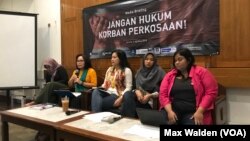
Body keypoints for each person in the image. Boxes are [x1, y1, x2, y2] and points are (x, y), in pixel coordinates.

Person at [159, 48, 218, 125]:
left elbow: (211, 93)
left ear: (189, 60)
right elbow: (163, 94)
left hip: (194, 112)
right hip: (173, 110)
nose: (177, 62)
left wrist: (200, 111)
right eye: (175, 60)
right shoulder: (170, 75)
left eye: (180, 60)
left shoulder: (202, 72)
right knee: (161, 124)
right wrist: (169, 111)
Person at [122, 52, 165, 117]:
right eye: (146, 59)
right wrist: (137, 91)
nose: (148, 61)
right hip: (139, 97)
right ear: (143, 60)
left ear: (154, 61)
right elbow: (134, 87)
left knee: (129, 106)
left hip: (150, 100)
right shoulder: (139, 71)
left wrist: (150, 96)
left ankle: (129, 119)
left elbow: (163, 90)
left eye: (151, 60)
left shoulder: (159, 72)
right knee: (127, 94)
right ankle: (130, 119)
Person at [91, 49, 133, 113]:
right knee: (96, 91)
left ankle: (95, 114)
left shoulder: (126, 70)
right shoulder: (109, 69)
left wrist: (121, 98)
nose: (112, 59)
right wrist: (98, 87)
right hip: (107, 92)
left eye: (114, 57)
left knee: (98, 103)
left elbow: (129, 87)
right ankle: (96, 114)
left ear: (120, 59)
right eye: (111, 57)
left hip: (117, 94)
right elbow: (104, 84)